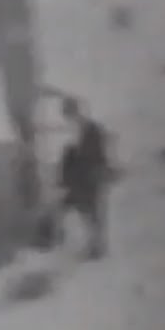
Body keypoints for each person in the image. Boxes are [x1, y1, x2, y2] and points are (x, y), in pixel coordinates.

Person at [56, 97, 116, 260]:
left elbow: (94, 155)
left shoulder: (90, 129)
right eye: (66, 114)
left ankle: (97, 247)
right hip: (83, 178)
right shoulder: (81, 129)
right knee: (88, 212)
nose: (68, 117)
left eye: (68, 113)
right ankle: (95, 246)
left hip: (90, 177)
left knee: (92, 212)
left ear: (74, 112)